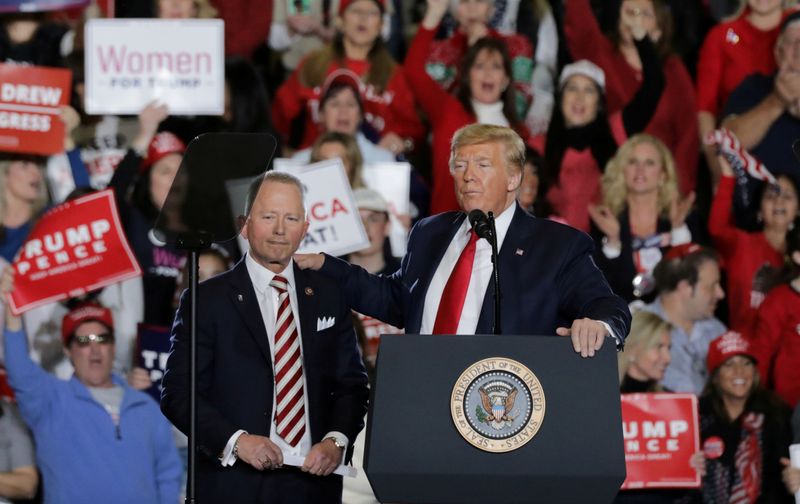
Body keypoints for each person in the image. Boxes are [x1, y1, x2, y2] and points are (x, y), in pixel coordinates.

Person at [297, 124, 631, 357]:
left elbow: (609, 307)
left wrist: (598, 325)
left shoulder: (557, 246)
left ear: (514, 177)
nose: (468, 175)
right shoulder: (430, 233)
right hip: (424, 392)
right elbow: (396, 300)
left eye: (482, 164)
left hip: (500, 412)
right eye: (460, 165)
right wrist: (328, 266)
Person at [160, 171, 369, 503]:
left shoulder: (330, 294)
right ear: (245, 224)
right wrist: (238, 442)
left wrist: (336, 441)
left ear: (305, 228)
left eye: (291, 218)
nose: (280, 229)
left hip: (313, 486)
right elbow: (177, 394)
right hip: (234, 485)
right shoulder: (207, 300)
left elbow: (352, 385)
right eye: (269, 216)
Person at [0, 279, 182, 504]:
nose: (94, 349)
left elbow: (167, 475)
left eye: (102, 339)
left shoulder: (146, 407)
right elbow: (19, 370)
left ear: (114, 346)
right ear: (68, 350)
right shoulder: (51, 401)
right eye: (84, 341)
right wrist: (12, 314)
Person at [406, 0, 534, 215]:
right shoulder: (448, 111)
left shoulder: (519, 133)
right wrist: (433, 15)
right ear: (467, 76)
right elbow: (413, 72)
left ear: (505, 80)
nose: (487, 74)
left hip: (497, 240)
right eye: (479, 66)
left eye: (495, 67)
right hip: (448, 234)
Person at [563, 0, 700, 197]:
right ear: (618, 17)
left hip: (663, 189)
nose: (636, 19)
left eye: (645, 14)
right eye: (630, 12)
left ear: (660, 28)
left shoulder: (672, 69)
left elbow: (688, 136)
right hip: (607, 183)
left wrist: (677, 193)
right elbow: (580, 27)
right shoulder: (601, 53)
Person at [589, 134, 696, 303]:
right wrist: (613, 243)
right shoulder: (606, 221)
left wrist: (678, 231)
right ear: (622, 171)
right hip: (622, 318)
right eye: (633, 162)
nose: (640, 169)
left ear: (663, 175)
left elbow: (693, 280)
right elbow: (598, 287)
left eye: (649, 163)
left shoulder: (683, 218)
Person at [693, 331, 793, 503]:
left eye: (746, 363)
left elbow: (785, 480)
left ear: (755, 372)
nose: (739, 371)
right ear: (715, 376)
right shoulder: (697, 417)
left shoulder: (777, 415)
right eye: (729, 364)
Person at [696, 0, 789, 185]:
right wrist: (714, 162)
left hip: (790, 153)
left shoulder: (795, 31)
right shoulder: (721, 36)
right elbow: (705, 107)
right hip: (738, 156)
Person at [709, 154, 799, 336]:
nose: (779, 201)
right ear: (759, 210)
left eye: (787, 196)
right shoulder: (742, 244)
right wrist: (727, 177)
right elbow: (717, 229)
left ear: (798, 210)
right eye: (771, 194)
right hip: (744, 356)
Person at [722, 10, 800, 198]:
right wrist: (777, 101)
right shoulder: (754, 88)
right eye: (793, 42)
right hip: (757, 218)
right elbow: (726, 143)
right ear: (778, 52)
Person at [642, 244, 727, 394]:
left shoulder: (717, 332)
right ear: (685, 288)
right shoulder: (638, 329)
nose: (720, 294)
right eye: (712, 286)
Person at [751, 224, 800, 409]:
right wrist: (758, 402)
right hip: (791, 406)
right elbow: (762, 354)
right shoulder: (779, 300)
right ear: (797, 256)